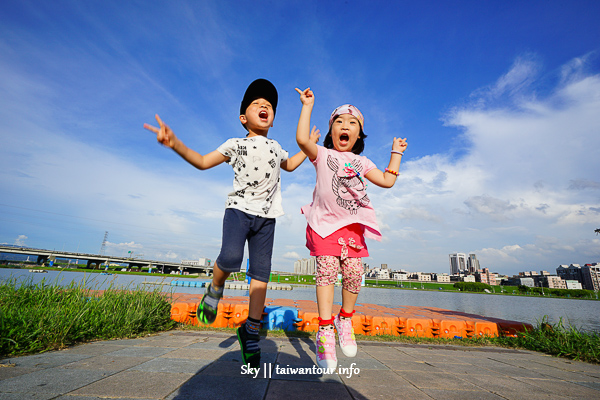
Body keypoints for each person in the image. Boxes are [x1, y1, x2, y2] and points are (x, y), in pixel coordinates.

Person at [144, 79, 319, 368]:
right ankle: (215, 288)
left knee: (261, 276)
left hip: (267, 218)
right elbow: (201, 161)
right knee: (230, 258)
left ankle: (250, 333)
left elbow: (292, 163)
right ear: (243, 117)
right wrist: (174, 143)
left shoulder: (276, 148)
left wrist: (310, 141)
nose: (264, 107)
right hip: (238, 211)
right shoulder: (235, 144)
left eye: (269, 105)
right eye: (256, 104)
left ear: (273, 119)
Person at [295, 87, 407, 369]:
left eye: (352, 123)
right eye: (339, 122)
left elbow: (386, 180)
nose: (345, 126)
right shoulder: (322, 154)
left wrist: (396, 153)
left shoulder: (362, 162)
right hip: (324, 226)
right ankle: (324, 330)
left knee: (355, 274)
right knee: (327, 273)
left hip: (353, 229)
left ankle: (345, 320)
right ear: (332, 131)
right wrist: (307, 106)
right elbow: (300, 139)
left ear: (359, 135)